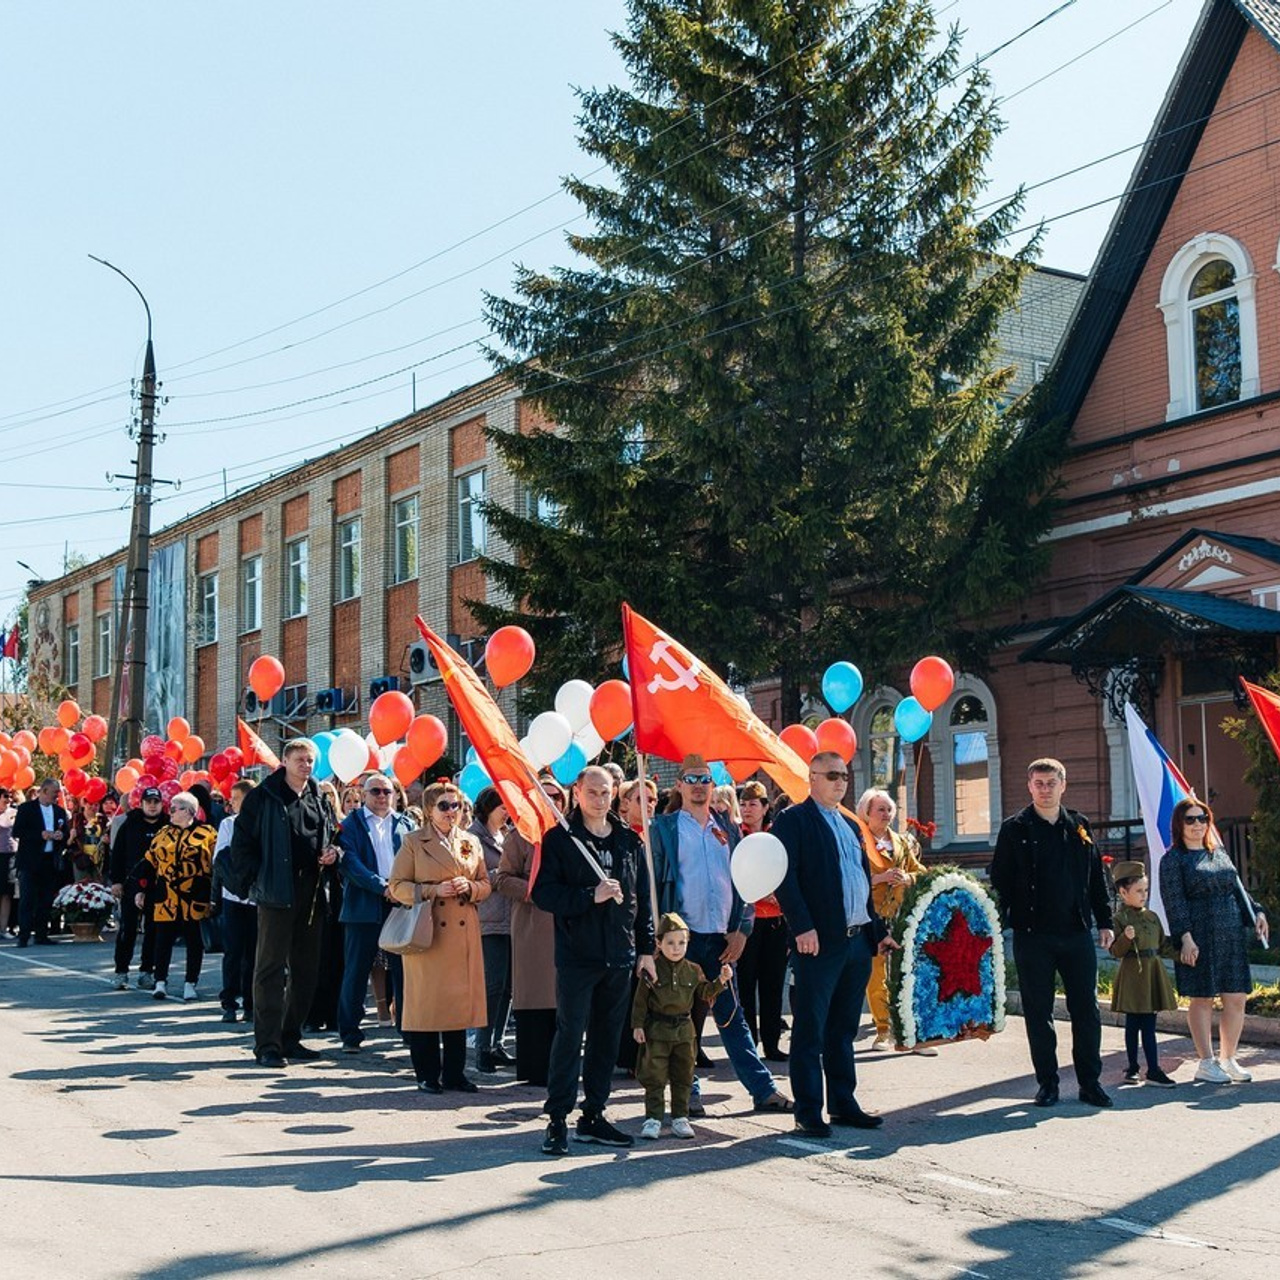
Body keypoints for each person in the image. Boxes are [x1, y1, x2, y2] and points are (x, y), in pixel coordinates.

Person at [649, 754, 791, 1116]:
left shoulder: (727, 828)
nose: (699, 786)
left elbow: (744, 882)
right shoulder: (664, 829)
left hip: (721, 939)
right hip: (681, 939)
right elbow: (651, 885)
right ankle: (687, 1093)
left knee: (731, 1017)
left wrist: (742, 930)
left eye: (705, 779)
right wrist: (658, 937)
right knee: (681, 1019)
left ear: (713, 786)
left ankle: (763, 1090)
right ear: (679, 785)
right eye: (691, 779)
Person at [533, 764, 656, 1155]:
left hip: (619, 955)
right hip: (578, 955)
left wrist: (646, 949)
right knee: (570, 1036)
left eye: (606, 793)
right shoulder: (561, 839)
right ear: (577, 793)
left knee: (606, 1039)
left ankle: (594, 1115)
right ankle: (557, 1118)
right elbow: (544, 894)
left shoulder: (629, 841)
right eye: (592, 792)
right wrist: (590, 896)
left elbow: (641, 899)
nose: (600, 800)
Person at [772, 752, 895, 1136]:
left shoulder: (850, 824)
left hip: (856, 941)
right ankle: (808, 1110)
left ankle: (843, 1103)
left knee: (843, 1029)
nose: (840, 781)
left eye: (844, 775)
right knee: (810, 1030)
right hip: (818, 943)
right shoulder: (793, 820)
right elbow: (784, 877)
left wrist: (877, 931)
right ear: (812, 777)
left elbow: (860, 881)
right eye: (831, 775)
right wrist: (801, 927)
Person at [988, 757, 1114, 1109]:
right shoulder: (1015, 828)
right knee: (1038, 1012)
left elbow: (1096, 878)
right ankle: (1047, 1083)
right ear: (1030, 786)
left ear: (1063, 785)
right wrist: (995, 925)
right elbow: (1000, 881)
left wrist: (1105, 921)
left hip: (1075, 933)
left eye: (1051, 783)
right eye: (1039, 783)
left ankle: (1090, 1083)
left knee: (1086, 1010)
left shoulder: (1078, 825)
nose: (1045, 789)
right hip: (1033, 936)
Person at [225, 738, 340, 1068]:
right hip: (276, 890)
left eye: (310, 760)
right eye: (300, 759)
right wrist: (256, 880)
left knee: (306, 970)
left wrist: (334, 853)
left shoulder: (318, 796)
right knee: (270, 969)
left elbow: (332, 835)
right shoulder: (264, 796)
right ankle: (267, 1045)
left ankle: (290, 1037)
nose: (306, 765)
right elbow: (241, 844)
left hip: (313, 891)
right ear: (285, 762)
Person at [388, 779, 490, 1093]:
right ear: (429, 809)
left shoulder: (470, 841)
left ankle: (455, 1073)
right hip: (428, 931)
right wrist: (432, 890)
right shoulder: (414, 842)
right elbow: (396, 886)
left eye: (455, 805)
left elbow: (486, 883)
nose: (451, 812)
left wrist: (470, 887)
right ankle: (427, 1073)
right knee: (427, 1004)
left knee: (457, 1004)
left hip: (462, 931)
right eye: (444, 806)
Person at [1160, 797, 1269, 1084]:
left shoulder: (1218, 852)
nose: (1198, 824)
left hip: (1231, 934)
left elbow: (1237, 889)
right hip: (1198, 935)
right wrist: (1185, 938)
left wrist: (1257, 912)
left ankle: (1228, 1059)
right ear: (1179, 824)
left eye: (1203, 818)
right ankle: (1206, 1062)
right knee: (1203, 998)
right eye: (1191, 819)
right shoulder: (1173, 859)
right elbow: (1174, 902)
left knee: (1236, 997)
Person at [632, 911, 731, 1139]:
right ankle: (653, 1119)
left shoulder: (693, 970)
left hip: (685, 1032)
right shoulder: (652, 969)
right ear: (659, 943)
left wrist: (721, 981)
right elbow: (640, 1001)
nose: (676, 948)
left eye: (681, 942)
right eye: (670, 942)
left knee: (683, 1076)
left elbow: (704, 993)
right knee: (654, 1077)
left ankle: (680, 1118)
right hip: (657, 1031)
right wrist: (637, 1025)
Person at [336, 773, 412, 1053]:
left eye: (387, 791)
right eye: (376, 791)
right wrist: (382, 887)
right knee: (356, 971)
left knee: (405, 972)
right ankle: (350, 1033)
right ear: (364, 794)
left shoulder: (406, 823)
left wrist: (402, 890)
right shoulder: (350, 824)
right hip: (364, 905)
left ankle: (409, 1028)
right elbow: (350, 863)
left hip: (400, 904)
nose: (382, 796)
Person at [493, 777, 562, 1086]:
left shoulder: (571, 834)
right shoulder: (519, 835)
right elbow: (502, 879)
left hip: (568, 926)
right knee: (536, 996)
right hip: (533, 926)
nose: (552, 802)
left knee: (565, 999)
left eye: (557, 797)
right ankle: (535, 1069)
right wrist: (536, 891)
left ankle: (562, 1066)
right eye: (545, 796)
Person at [856, 787, 931, 1054]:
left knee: (907, 971)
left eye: (889, 809)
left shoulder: (901, 841)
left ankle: (912, 1032)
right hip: (872, 917)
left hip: (901, 916)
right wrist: (879, 878)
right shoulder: (859, 841)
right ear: (867, 813)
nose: (886, 814)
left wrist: (908, 878)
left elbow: (920, 871)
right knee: (877, 975)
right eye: (880, 809)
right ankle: (883, 1030)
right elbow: (850, 878)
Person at [133, 791, 216, 1001]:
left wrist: (214, 896)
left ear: (189, 811)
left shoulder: (207, 833)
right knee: (162, 939)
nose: (169, 812)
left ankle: (190, 982)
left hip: (195, 896)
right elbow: (149, 863)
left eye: (174, 808)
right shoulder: (163, 833)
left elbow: (216, 866)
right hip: (166, 897)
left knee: (194, 941)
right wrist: (141, 889)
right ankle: (160, 981)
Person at [1107, 860, 1177, 1088]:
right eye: (1138, 891)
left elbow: (1163, 946)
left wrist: (1184, 954)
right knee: (1132, 1025)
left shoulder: (1152, 917)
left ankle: (1154, 1069)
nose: (1143, 895)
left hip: (1151, 974)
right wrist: (1125, 938)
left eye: (1145, 890)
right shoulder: (1119, 919)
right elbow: (1115, 951)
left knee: (1149, 1025)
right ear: (1123, 892)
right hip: (1133, 976)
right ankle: (1132, 1067)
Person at [735, 779, 789, 1062]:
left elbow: (786, 870)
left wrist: (781, 896)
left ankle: (772, 1042)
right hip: (748, 921)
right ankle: (748, 1044)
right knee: (745, 984)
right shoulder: (735, 835)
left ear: (765, 807)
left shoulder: (777, 835)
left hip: (776, 921)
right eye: (743, 804)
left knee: (772, 983)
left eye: (753, 804)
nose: (747, 809)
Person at [470, 787, 514, 1073]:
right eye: (503, 807)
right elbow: (470, 876)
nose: (507, 812)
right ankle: (482, 1047)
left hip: (511, 919)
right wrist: (504, 875)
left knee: (508, 987)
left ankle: (497, 1043)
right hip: (488, 920)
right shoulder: (472, 838)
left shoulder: (506, 835)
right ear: (488, 807)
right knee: (493, 985)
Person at [110, 788, 167, 988]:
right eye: (148, 802)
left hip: (158, 884)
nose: (152, 805)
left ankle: (147, 971)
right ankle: (121, 971)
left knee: (153, 929)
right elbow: (117, 854)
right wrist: (116, 881)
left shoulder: (167, 825)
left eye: (156, 802)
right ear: (141, 803)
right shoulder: (130, 824)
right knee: (128, 929)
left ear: (161, 804)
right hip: (131, 883)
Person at [213, 779, 258, 1025]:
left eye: (236, 799)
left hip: (257, 899)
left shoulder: (262, 823)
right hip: (234, 897)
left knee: (253, 952)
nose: (231, 803)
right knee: (233, 951)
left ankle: (251, 1003)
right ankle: (229, 1001)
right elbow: (221, 858)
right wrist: (238, 885)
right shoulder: (228, 824)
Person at [12, 779, 70, 947]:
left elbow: (65, 832)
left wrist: (61, 836)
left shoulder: (59, 811)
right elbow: (17, 831)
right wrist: (40, 834)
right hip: (30, 861)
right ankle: (23, 935)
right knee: (27, 898)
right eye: (54, 792)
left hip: (49, 860)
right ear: (44, 791)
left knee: (45, 899)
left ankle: (41, 934)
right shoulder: (26, 808)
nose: (56, 796)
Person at [0, 788, 17, 937]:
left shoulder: (14, 813)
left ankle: (4, 928)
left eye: (10, 797)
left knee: (7, 893)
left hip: (11, 855)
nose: (9, 799)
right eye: (5, 796)